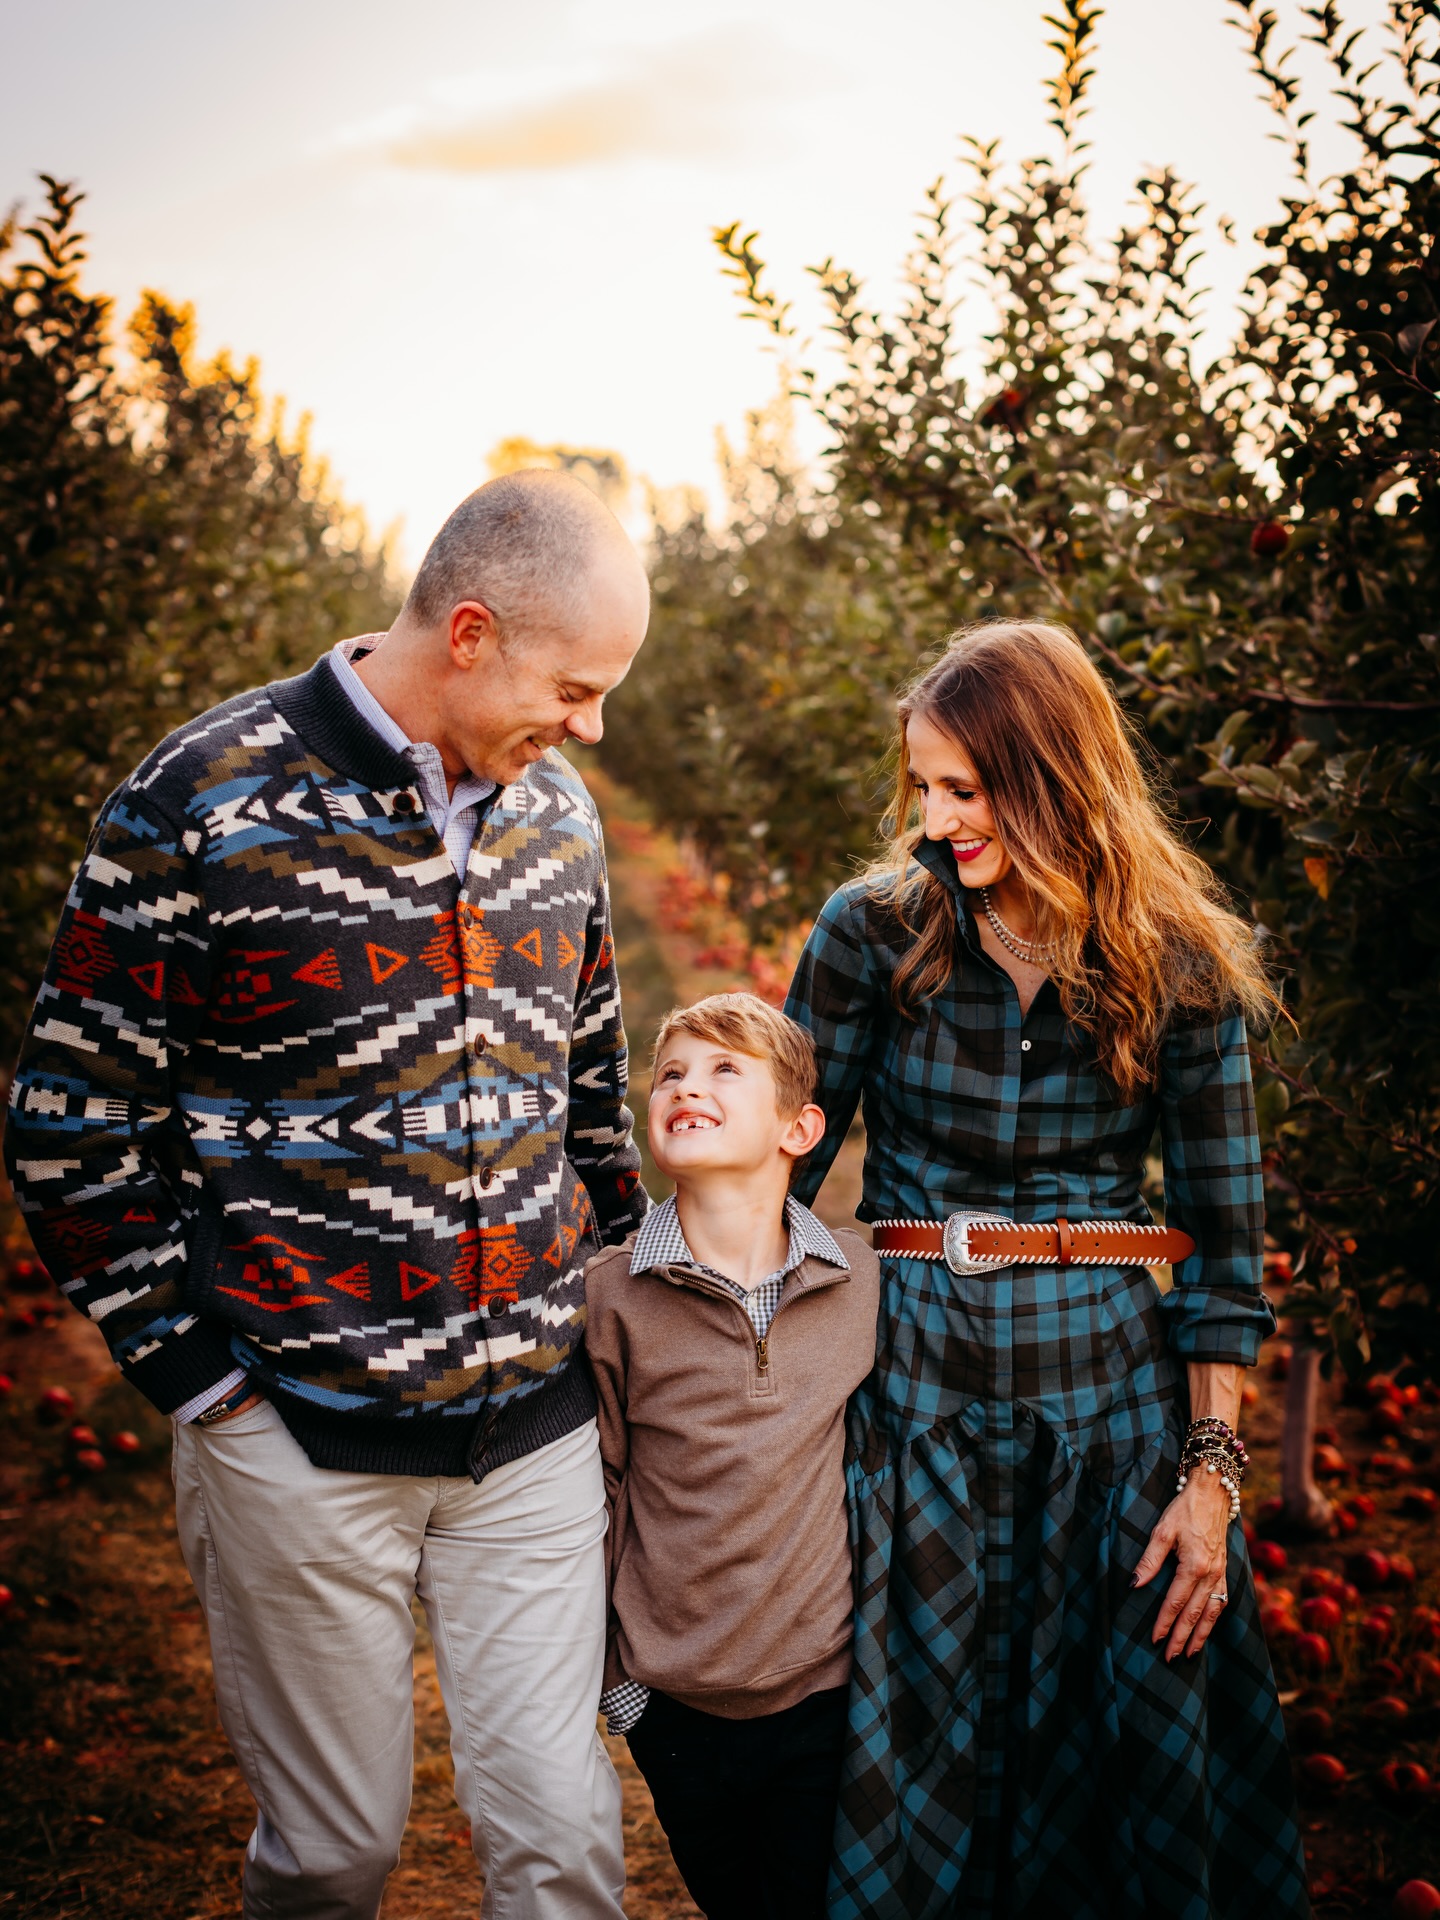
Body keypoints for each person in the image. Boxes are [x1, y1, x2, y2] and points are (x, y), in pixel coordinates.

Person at [4, 470, 653, 1919]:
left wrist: (622, 1314)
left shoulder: (559, 821)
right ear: (472, 633)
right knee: (336, 1855)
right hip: (295, 1430)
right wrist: (204, 1386)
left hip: (536, 1433)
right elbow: (70, 1123)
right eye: (580, 686)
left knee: (562, 1840)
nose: (593, 728)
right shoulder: (203, 800)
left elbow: (592, 1101)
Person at [784, 621, 1310, 1920]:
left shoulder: (1176, 967)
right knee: (921, 1785)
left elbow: (1224, 1254)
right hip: (916, 1413)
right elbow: (775, 1175)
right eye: (923, 785)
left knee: (1103, 1798)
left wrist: (1211, 1479)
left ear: (1053, 779)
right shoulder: (872, 939)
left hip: (1108, 1428)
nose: (934, 818)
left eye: (965, 789)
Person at [584, 993, 881, 1920]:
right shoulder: (610, 1296)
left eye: (723, 1070)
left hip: (826, 1697)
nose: (685, 1087)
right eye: (670, 1072)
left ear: (801, 1127)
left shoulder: (862, 1277)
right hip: (675, 1710)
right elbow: (590, 1498)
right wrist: (619, 1690)